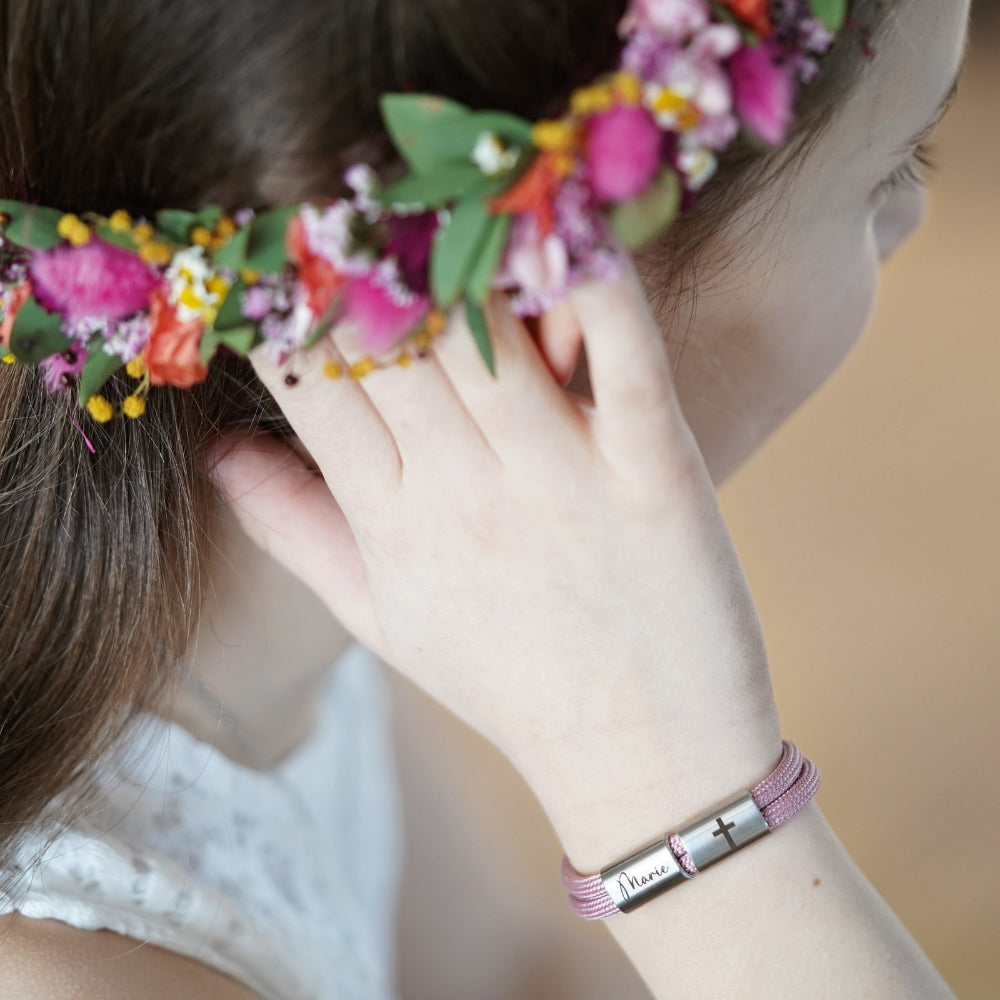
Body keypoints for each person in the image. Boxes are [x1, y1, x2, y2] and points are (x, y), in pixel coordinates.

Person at [0, 0, 971, 997]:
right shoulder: (73, 975)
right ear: (545, 288)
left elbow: (510, 975)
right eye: (893, 168)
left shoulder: (261, 619)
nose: (908, 226)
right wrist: (678, 785)